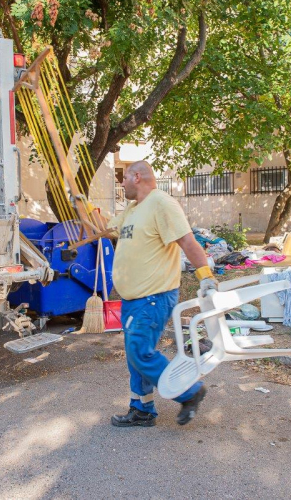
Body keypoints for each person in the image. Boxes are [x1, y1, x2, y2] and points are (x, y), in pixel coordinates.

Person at [107, 160, 218, 427]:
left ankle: (190, 392)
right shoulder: (132, 210)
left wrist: (206, 276)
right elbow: (104, 229)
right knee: (136, 356)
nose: (120, 184)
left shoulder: (162, 204)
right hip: (134, 298)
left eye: (123, 178)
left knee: (139, 352)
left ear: (136, 176)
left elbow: (187, 241)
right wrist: (82, 206)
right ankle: (142, 409)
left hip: (153, 296)